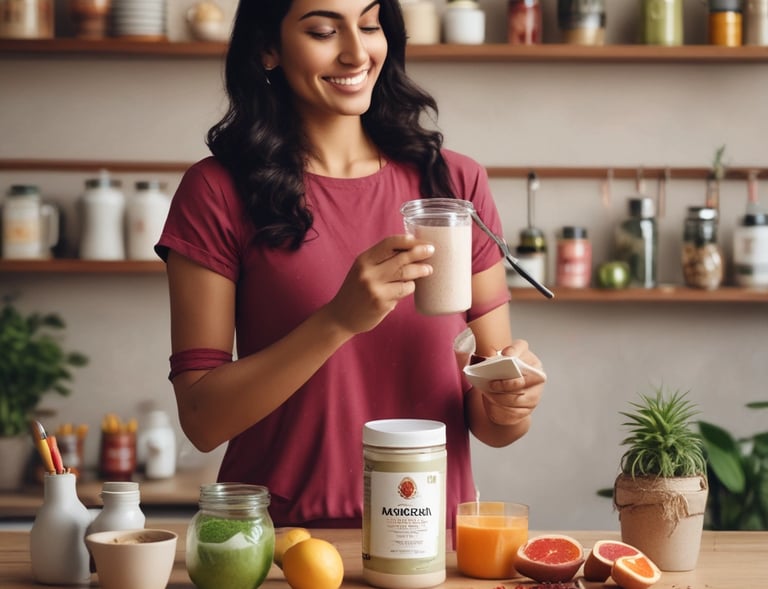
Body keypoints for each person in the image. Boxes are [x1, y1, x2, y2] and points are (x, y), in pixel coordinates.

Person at [155, 0, 546, 528]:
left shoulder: (452, 188)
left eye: (369, 25)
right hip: (278, 547)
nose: (356, 52)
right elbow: (201, 420)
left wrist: (508, 402)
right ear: (268, 47)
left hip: (431, 543)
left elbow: (491, 424)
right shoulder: (217, 192)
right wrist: (338, 320)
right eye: (322, 31)